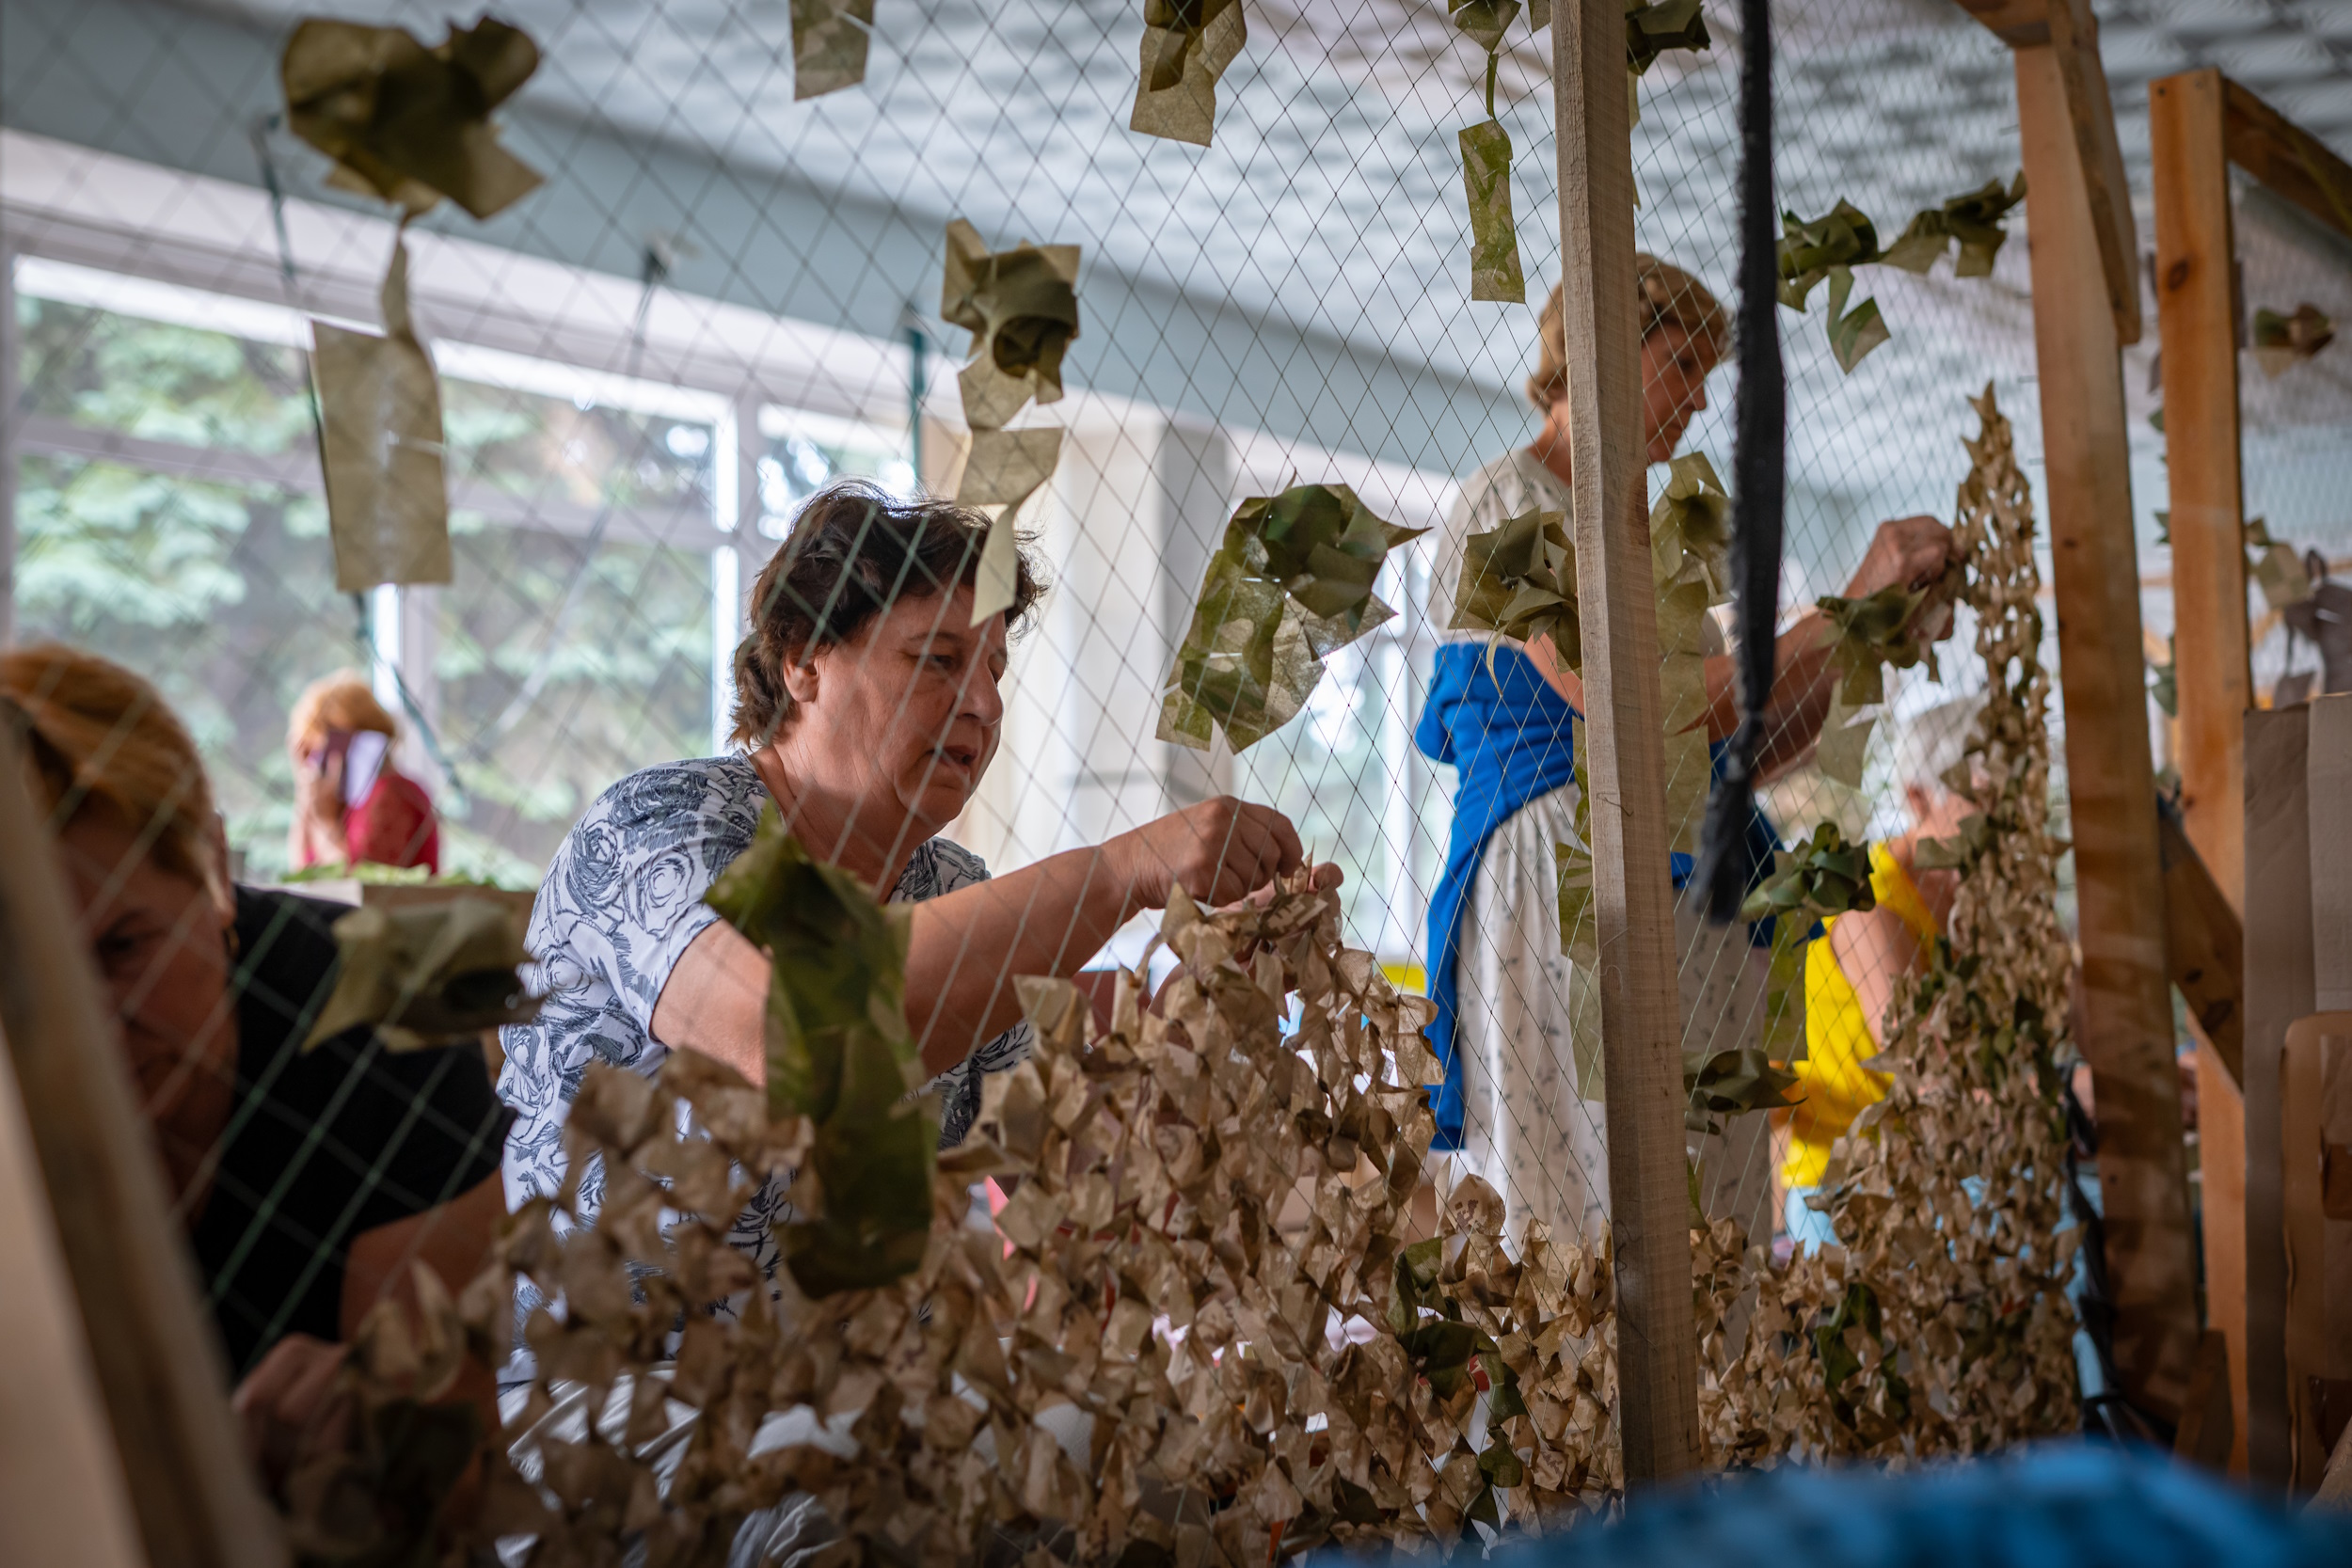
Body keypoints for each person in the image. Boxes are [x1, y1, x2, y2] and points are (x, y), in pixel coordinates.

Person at [501, 482, 1340, 1316]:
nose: (984, 703)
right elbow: (797, 1043)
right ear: (802, 660)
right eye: (936, 659)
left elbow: (1074, 1167)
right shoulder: (658, 828)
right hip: (625, 1390)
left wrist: (1213, 992)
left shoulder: (949, 889)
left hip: (867, 1392)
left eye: (995, 669)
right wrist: (1122, 871)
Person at [1417, 258, 1957, 1246]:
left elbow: (1740, 748)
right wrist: (1838, 604)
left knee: (1703, 1212)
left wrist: (1865, 628)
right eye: (1683, 363)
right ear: (1604, 354)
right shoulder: (1505, 503)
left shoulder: (1646, 540)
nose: (1703, 396)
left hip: (1677, 890)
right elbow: (1635, 709)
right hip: (1568, 879)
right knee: (1585, 1208)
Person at [4, 644, 508, 1474]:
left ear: (213, 873)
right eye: (25, 973)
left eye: (124, 947)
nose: (87, 1026)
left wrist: (376, 1434)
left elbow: (450, 1464)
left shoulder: (383, 1007)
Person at [1778, 698, 1976, 1253]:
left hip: (1917, 1173)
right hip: (1844, 1191)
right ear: (1918, 797)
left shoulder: (1961, 904)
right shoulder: (1871, 903)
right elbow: (1928, 1068)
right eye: (1982, 798)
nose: (2006, 817)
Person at [286, 672, 441, 874]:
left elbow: (359, 884)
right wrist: (306, 801)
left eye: (319, 753)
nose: (317, 765)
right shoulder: (342, 803)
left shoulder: (392, 792)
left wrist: (325, 821)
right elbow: (301, 869)